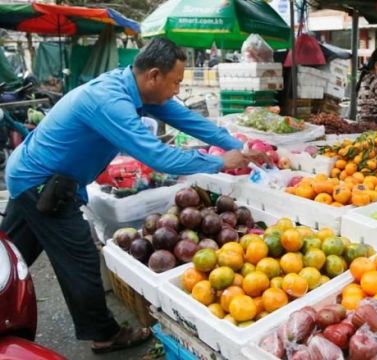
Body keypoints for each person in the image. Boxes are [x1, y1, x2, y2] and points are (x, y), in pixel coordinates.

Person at [0, 38, 265, 353]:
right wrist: (219, 161)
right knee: (80, 258)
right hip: (43, 186)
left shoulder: (137, 90)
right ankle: (105, 333)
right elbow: (158, 156)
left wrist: (234, 145)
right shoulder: (109, 100)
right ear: (154, 75)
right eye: (176, 82)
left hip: (30, 174)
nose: (178, 90)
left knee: (12, 257)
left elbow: (188, 120)